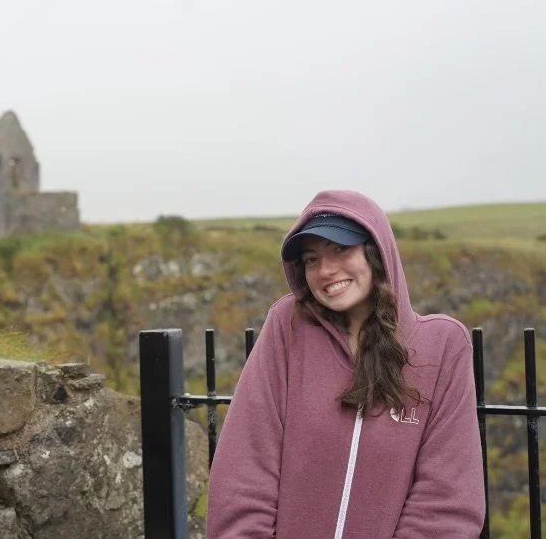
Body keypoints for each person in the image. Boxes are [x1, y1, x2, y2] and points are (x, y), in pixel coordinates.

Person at [207, 189, 485, 538]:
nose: (325, 270)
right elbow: (243, 472)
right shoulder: (287, 326)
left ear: (377, 252)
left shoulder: (442, 346)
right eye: (311, 259)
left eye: (341, 249)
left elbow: (446, 503)